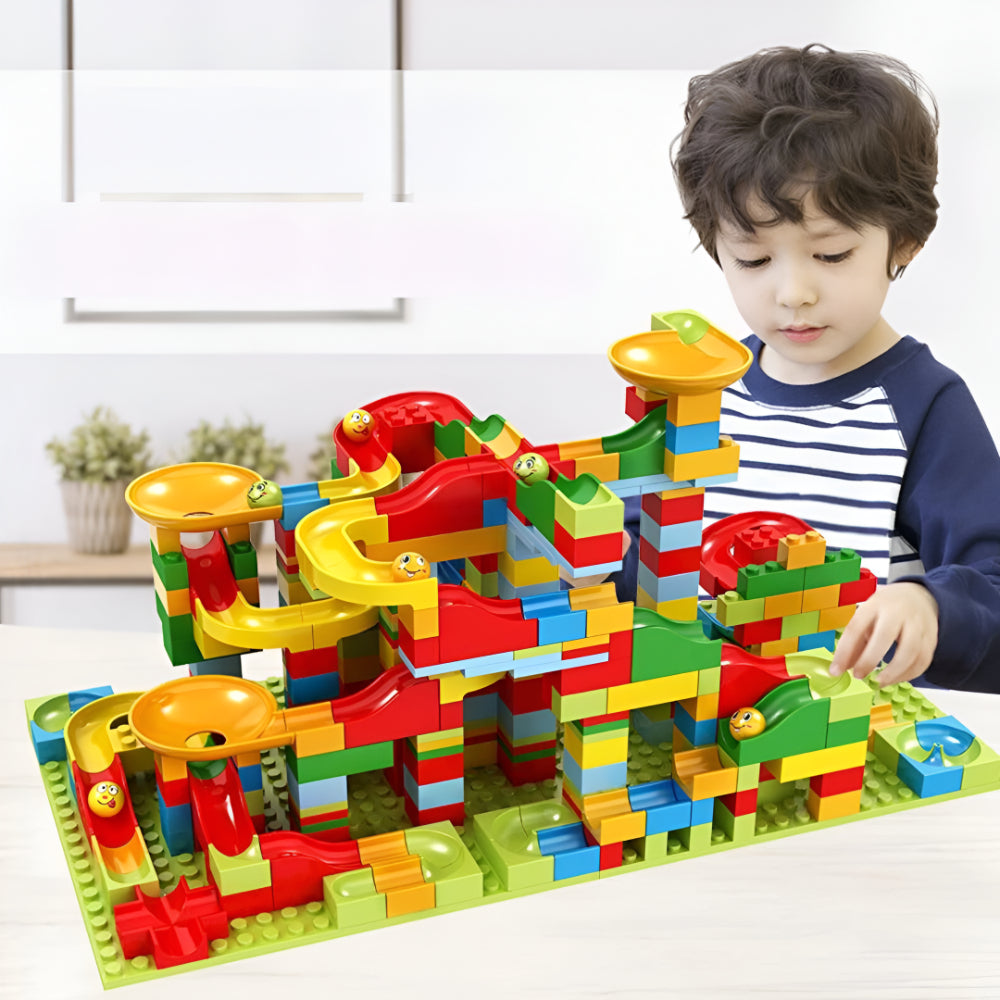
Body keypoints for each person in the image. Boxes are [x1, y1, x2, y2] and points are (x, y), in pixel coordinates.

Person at [660, 43, 1000, 692]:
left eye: (833, 254)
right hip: (698, 713)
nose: (793, 293)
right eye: (753, 260)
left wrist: (929, 603)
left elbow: (993, 580)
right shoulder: (705, 390)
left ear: (904, 242)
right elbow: (644, 547)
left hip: (844, 725)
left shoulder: (924, 407)